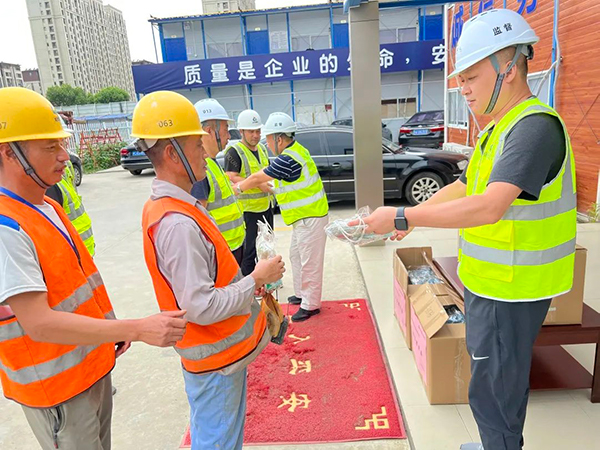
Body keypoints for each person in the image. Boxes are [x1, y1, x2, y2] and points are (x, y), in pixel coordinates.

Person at [359, 9, 576, 450]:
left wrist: (403, 218)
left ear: (509, 68)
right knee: (491, 379)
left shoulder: (533, 128)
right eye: (461, 78)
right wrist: (408, 215)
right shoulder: (499, 128)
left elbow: (490, 206)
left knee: (494, 390)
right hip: (490, 281)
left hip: (511, 289)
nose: (463, 87)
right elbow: (464, 186)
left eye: (472, 77)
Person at [0, 87, 187, 450]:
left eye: (61, 143)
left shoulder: (47, 207)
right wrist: (136, 328)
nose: (64, 155)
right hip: (58, 390)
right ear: (9, 152)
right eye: (50, 147)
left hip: (91, 369)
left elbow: (77, 285)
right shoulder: (7, 229)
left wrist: (107, 330)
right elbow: (39, 323)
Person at [133, 91, 285, 450]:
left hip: (219, 356)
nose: (206, 152)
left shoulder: (176, 206)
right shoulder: (176, 223)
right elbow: (200, 306)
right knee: (217, 441)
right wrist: (256, 278)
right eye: (196, 145)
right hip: (215, 360)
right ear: (172, 154)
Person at [234, 112, 329, 322]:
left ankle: (311, 305)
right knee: (296, 256)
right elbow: (280, 185)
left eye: (268, 138)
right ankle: (302, 294)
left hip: (311, 217)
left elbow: (258, 177)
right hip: (303, 218)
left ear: (278, 139)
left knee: (309, 262)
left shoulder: (289, 158)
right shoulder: (293, 153)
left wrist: (238, 188)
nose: (266, 144)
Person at [192, 99, 246, 265]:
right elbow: (199, 220)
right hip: (221, 254)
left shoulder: (212, 163)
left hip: (231, 249)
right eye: (225, 129)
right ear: (209, 131)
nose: (229, 136)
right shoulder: (200, 170)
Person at [224, 109, 274, 276]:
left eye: (258, 131)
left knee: (266, 247)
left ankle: (266, 280)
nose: (255, 135)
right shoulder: (234, 152)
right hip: (248, 211)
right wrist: (258, 184)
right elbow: (231, 177)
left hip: (266, 207)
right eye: (251, 131)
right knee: (249, 252)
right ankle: (249, 284)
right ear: (241, 131)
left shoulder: (263, 149)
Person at [46, 159, 95, 256]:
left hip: (84, 249)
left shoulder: (66, 166)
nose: (64, 156)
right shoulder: (48, 185)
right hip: (75, 252)